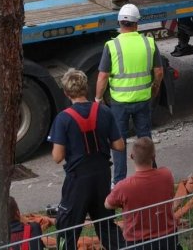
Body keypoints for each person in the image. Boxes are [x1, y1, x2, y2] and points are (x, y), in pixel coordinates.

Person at [48, 69, 124, 250]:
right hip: (101, 176)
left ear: (66, 93)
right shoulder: (104, 111)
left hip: (78, 181)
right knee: (106, 224)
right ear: (87, 89)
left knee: (68, 227)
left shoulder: (63, 118)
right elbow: (119, 146)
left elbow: (57, 157)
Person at [95, 3, 165, 184]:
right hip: (143, 100)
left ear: (119, 22)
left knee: (118, 142)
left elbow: (103, 76)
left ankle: (119, 182)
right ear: (137, 23)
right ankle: (152, 176)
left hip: (119, 103)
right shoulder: (148, 42)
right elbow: (158, 72)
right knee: (145, 139)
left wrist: (98, 99)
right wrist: (154, 89)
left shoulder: (112, 45)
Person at [105, 138, 178, 250]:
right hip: (168, 238)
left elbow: (108, 204)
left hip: (138, 243)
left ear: (131, 157)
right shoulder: (166, 175)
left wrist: (123, 203)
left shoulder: (124, 186)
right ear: (154, 156)